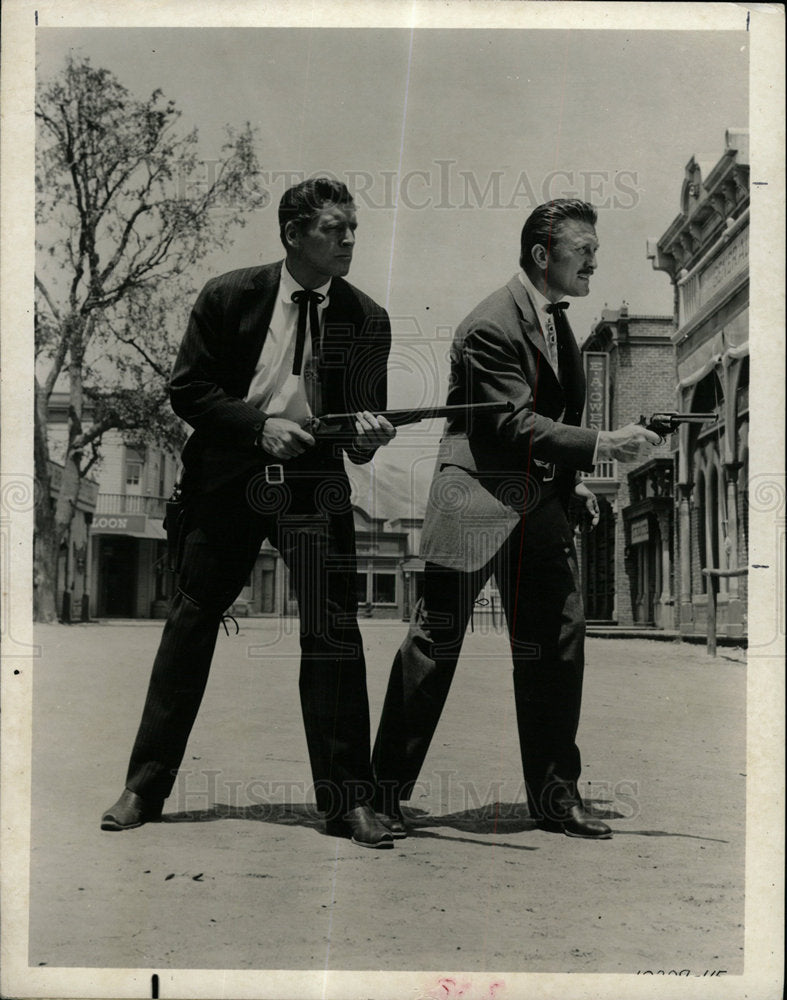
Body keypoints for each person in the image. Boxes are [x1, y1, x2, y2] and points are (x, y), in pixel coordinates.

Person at [101, 178, 398, 849]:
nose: (349, 239)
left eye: (353, 226)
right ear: (293, 234)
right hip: (228, 476)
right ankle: (143, 788)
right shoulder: (227, 295)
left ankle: (349, 802)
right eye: (333, 227)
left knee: (332, 627)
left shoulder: (367, 319)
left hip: (315, 484)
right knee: (191, 620)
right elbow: (188, 389)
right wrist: (258, 427)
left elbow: (356, 430)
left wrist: (365, 437)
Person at [371, 199, 660, 840]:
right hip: (474, 501)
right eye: (583, 249)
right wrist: (602, 445)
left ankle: (557, 799)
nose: (595, 260)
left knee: (557, 647)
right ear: (541, 255)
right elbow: (509, 425)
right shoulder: (489, 325)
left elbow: (539, 427)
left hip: (541, 508)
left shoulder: (560, 326)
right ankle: (382, 796)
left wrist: (574, 480)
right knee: (434, 646)